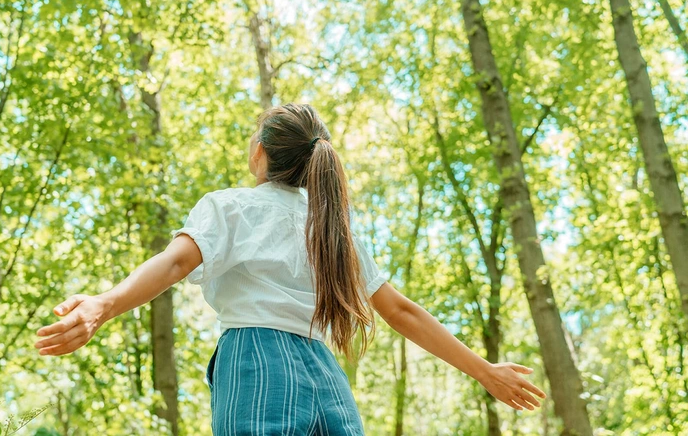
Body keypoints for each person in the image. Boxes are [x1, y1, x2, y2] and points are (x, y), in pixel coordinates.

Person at [35, 103, 546, 435]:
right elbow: (402, 311)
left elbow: (172, 264)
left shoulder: (232, 206)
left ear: (260, 152)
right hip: (325, 374)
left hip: (256, 361)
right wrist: (485, 371)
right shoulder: (335, 229)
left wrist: (103, 303)